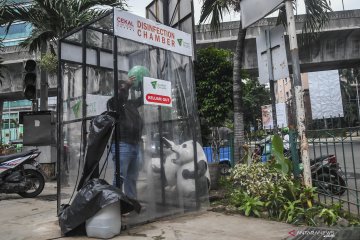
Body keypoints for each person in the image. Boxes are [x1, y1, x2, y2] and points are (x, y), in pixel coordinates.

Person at [107, 76, 143, 199]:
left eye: (126, 90)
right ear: (116, 90)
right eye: (122, 89)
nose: (125, 92)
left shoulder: (131, 104)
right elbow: (118, 99)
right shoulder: (113, 102)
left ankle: (131, 204)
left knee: (132, 177)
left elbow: (144, 98)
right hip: (121, 144)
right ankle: (115, 205)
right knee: (120, 176)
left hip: (135, 144)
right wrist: (126, 85)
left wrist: (143, 82)